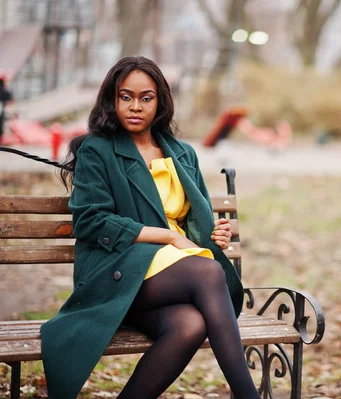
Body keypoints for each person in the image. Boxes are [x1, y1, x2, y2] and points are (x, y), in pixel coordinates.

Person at [40, 56, 261, 399]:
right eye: (126, 96)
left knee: (190, 324)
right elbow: (90, 222)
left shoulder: (181, 154)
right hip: (116, 273)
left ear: (159, 103)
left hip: (168, 277)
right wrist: (170, 236)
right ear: (112, 100)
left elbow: (193, 222)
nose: (135, 106)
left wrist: (211, 236)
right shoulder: (98, 150)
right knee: (208, 273)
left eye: (146, 98)